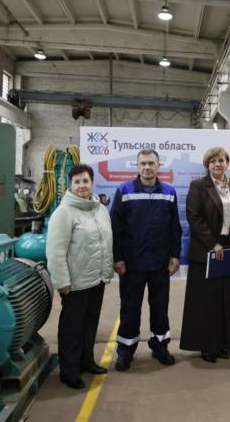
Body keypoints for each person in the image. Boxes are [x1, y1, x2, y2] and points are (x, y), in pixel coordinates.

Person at [110, 149, 183, 371]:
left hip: (160, 262)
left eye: (151, 163)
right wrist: (118, 257)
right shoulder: (124, 191)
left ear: (159, 166)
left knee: (160, 306)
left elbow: (174, 228)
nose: (147, 167)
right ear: (137, 166)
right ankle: (125, 351)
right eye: (143, 163)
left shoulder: (169, 192)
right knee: (130, 308)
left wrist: (175, 254)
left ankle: (160, 347)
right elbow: (116, 228)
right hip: (132, 262)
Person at [180, 147, 230, 363]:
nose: (217, 164)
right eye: (212, 161)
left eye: (221, 160)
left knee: (226, 299)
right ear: (207, 165)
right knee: (205, 301)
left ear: (227, 163)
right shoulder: (198, 186)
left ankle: (223, 344)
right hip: (206, 250)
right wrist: (213, 244)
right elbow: (194, 217)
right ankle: (206, 346)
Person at [46, 163, 114, 390]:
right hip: (75, 283)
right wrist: (62, 281)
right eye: (77, 182)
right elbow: (55, 250)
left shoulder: (100, 209)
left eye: (85, 181)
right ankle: (69, 372)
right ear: (70, 185)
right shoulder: (64, 212)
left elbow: (105, 242)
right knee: (72, 328)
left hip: (96, 279)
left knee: (89, 324)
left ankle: (87, 361)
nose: (82, 185)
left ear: (92, 182)